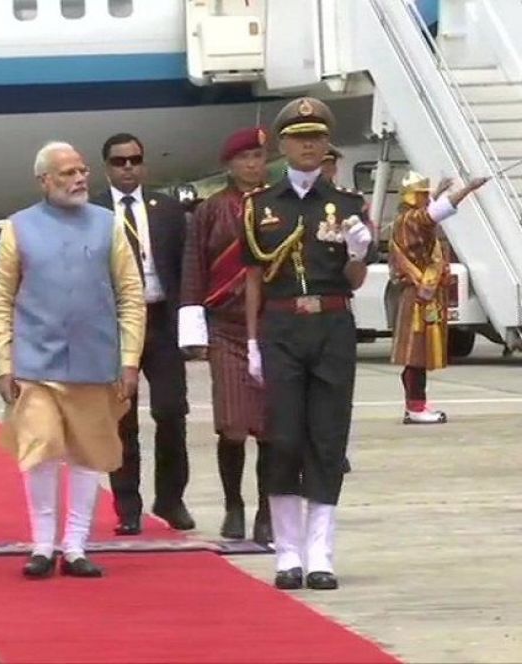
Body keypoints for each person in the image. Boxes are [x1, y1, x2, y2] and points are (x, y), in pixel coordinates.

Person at [0, 141, 145, 578]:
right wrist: (5, 363)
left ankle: (75, 545)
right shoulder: (17, 228)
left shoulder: (107, 225)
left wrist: (130, 358)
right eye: (67, 173)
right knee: (39, 448)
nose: (79, 179)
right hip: (35, 361)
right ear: (44, 181)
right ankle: (42, 543)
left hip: (96, 360)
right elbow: (0, 300)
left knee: (86, 455)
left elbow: (131, 295)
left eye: (81, 171)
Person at [242, 97, 374, 591]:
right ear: (283, 145)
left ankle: (320, 552)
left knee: (327, 438)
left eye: (317, 138)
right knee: (284, 437)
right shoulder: (260, 206)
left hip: (332, 326)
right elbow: (253, 277)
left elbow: (355, 279)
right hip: (281, 329)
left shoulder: (347, 204)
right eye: (300, 138)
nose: (309, 146)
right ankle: (287, 551)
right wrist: (253, 341)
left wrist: (359, 251)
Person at [92, 132, 193, 535]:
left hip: (161, 321)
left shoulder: (167, 209)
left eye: (135, 160)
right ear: (107, 168)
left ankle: (171, 498)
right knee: (122, 421)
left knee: (171, 412)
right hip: (115, 326)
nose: (128, 167)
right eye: (119, 162)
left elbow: (186, 269)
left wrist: (191, 322)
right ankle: (127, 506)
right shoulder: (93, 212)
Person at [179, 127, 272, 544]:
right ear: (229, 164)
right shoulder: (211, 211)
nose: (252, 164)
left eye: (258, 156)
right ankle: (234, 505)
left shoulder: (278, 204)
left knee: (271, 426)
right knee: (232, 424)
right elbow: (194, 268)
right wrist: (193, 329)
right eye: (244, 158)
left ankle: (268, 511)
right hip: (226, 325)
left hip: (273, 326)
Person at [389, 171, 488, 424]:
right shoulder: (412, 220)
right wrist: (467, 189)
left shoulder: (404, 218)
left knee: (417, 354)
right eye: (424, 195)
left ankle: (416, 404)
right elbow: (433, 213)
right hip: (418, 294)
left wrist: (439, 191)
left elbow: (429, 211)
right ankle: (415, 407)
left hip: (417, 293)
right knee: (416, 354)